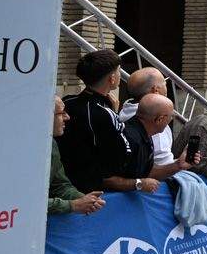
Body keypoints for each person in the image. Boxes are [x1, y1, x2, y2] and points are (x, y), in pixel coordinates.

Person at [58, 49, 137, 195]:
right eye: (119, 71)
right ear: (112, 78)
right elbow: (122, 156)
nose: (120, 75)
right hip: (92, 189)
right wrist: (114, 115)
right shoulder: (103, 112)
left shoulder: (67, 102)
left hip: (64, 179)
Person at [48, 97, 103, 216]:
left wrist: (85, 199)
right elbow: (27, 202)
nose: (67, 117)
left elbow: (60, 186)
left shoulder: (51, 144)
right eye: (61, 113)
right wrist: (73, 205)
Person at [122, 95, 185, 186]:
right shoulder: (130, 139)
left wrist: (178, 165)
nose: (171, 120)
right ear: (160, 119)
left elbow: (147, 171)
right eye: (171, 116)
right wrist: (139, 184)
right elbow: (107, 179)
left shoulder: (145, 134)